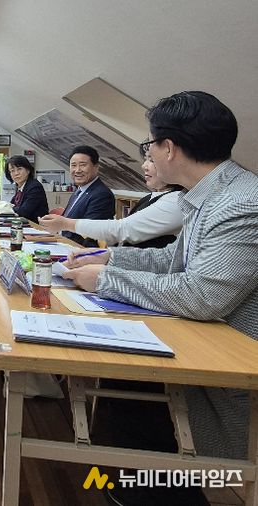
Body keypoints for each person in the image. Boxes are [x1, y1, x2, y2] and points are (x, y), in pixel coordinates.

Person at [63, 91, 257, 504]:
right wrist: (109, 256)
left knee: (134, 386)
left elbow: (203, 294)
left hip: (228, 361)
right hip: (202, 340)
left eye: (149, 144)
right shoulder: (208, 193)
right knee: (122, 380)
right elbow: (173, 259)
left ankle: (157, 491)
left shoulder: (241, 203)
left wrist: (107, 280)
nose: (147, 153)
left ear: (169, 148)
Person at [40, 148, 183, 248]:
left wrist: (65, 224)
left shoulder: (177, 201)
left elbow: (122, 230)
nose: (144, 166)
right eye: (73, 165)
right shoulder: (150, 197)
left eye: (151, 160)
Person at [56, 145, 115, 247]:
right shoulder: (79, 190)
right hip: (62, 242)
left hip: (78, 250)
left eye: (83, 165)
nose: (77, 170)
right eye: (73, 165)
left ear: (96, 167)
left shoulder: (102, 195)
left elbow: (89, 235)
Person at [4, 155, 49, 223]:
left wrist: (6, 209)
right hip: (24, 224)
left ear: (28, 170)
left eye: (19, 169)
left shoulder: (35, 187)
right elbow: (11, 206)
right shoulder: (20, 188)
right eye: (12, 171)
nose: (16, 173)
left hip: (36, 226)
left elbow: (24, 211)